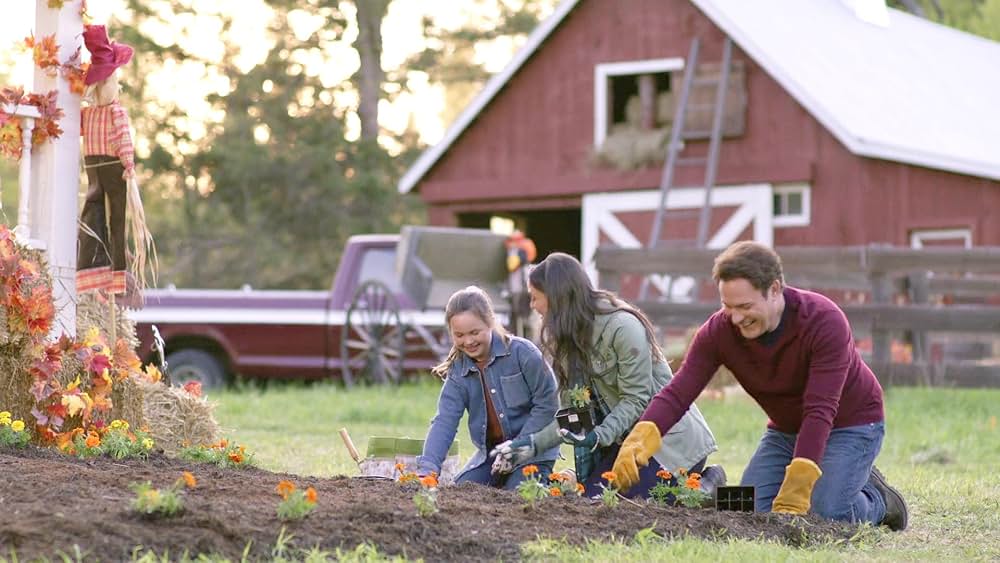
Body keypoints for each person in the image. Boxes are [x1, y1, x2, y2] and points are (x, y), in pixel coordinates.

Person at [612, 241, 908, 530]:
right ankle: (710, 493)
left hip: (851, 425)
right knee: (745, 508)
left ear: (775, 289)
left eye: (745, 306)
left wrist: (801, 476)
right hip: (786, 431)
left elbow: (820, 410)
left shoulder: (823, 321)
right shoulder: (719, 331)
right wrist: (640, 438)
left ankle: (879, 499)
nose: (736, 317)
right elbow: (678, 393)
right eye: (728, 306)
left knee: (823, 512)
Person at [493, 252, 722, 498]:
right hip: (626, 445)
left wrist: (597, 436)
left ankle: (712, 486)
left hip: (668, 443)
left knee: (632, 506)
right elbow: (576, 416)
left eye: (535, 298)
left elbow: (637, 399)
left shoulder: (623, 328)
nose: (532, 306)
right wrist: (529, 445)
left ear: (556, 297)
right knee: (594, 501)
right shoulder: (569, 342)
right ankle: (695, 490)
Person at [416, 286, 560, 489]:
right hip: (491, 456)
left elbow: (548, 405)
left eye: (475, 332)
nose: (468, 341)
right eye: (459, 335)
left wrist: (517, 448)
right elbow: (444, 421)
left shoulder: (523, 354)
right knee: (462, 493)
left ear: (491, 323)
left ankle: (555, 484)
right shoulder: (459, 370)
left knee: (517, 497)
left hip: (532, 452)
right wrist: (427, 470)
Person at [77, 24, 153, 307]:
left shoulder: (105, 113)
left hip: (106, 168)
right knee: (101, 217)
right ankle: (96, 274)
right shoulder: (99, 113)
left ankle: (111, 277)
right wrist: (128, 165)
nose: (116, 87)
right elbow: (121, 139)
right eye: (112, 82)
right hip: (102, 168)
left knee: (109, 219)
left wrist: (128, 166)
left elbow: (123, 140)